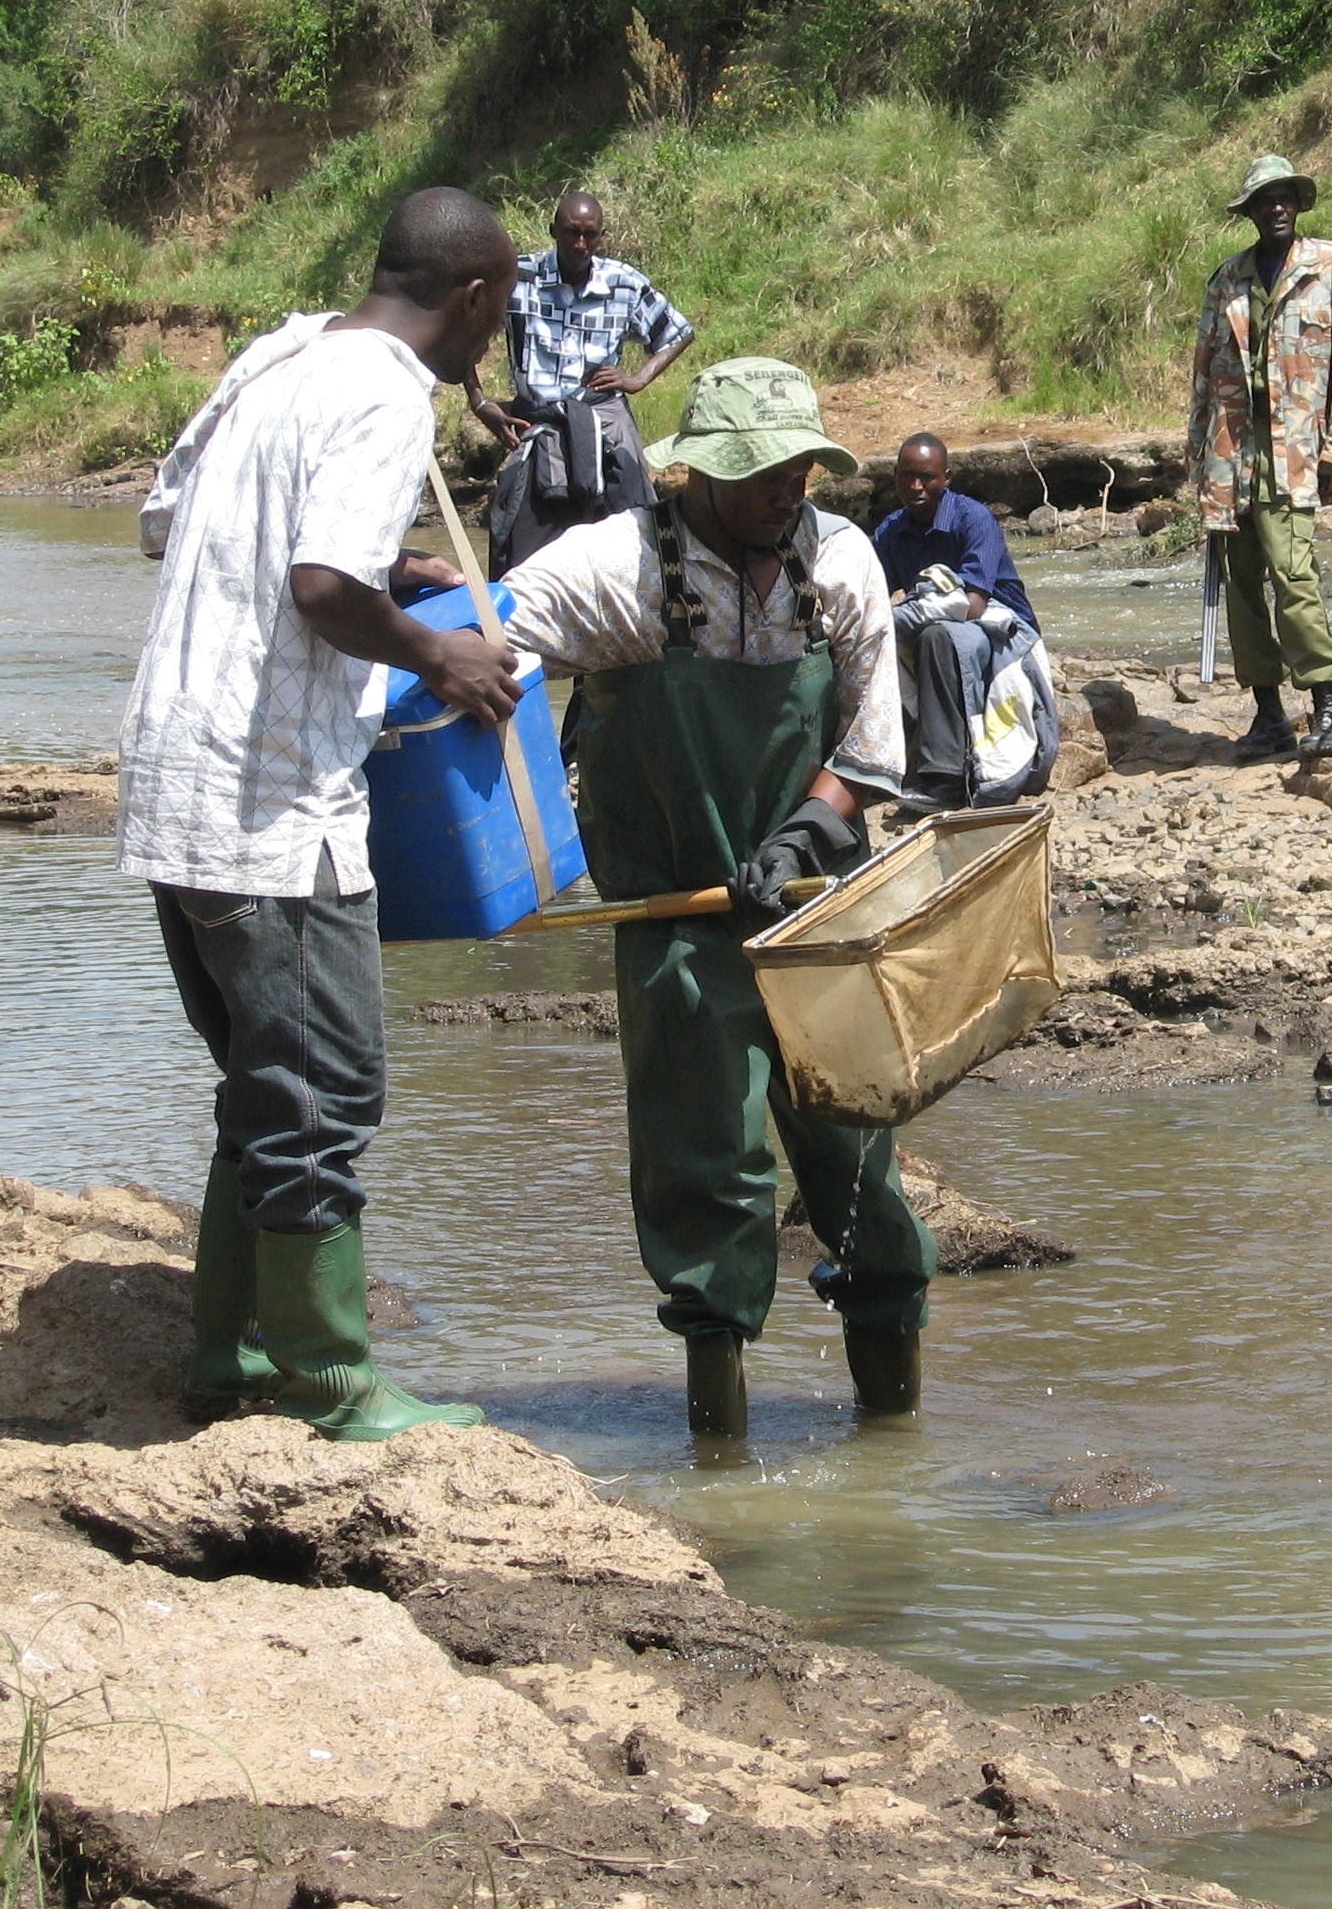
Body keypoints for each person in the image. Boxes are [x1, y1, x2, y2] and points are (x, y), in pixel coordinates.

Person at [120, 186, 524, 1441]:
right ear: (471, 298)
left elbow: (169, 520)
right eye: (500, 316)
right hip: (270, 798)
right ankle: (328, 1378)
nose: (493, 343)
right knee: (324, 1093)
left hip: (173, 776)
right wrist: (437, 650)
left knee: (264, 1078)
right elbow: (317, 587)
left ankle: (230, 1349)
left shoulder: (280, 355)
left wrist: (389, 567)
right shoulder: (389, 395)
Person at [499, 359, 932, 1443]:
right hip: (677, 928)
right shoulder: (613, 569)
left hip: (818, 918)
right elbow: (486, 646)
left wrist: (803, 830)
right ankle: (720, 1443)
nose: (788, 493)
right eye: (762, 477)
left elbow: (872, 746)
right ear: (696, 473)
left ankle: (891, 1435)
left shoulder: (839, 560)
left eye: (800, 472)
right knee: (708, 1185)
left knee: (862, 1173)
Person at [1189, 153, 1332, 760]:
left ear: (1297, 204)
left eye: (1285, 198)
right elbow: (1205, 374)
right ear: (1249, 212)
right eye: (1265, 200)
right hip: (1231, 456)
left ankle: (1330, 707)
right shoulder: (1228, 278)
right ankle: (1268, 714)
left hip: (1295, 451)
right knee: (1241, 585)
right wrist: (1198, 460)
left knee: (1294, 576)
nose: (1276, 208)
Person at [466, 190, 698, 576]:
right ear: (553, 231)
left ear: (601, 236)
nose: (580, 244)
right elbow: (464, 327)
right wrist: (479, 401)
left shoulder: (623, 283)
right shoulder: (518, 279)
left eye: (590, 235)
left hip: (603, 423)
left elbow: (678, 332)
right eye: (572, 232)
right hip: (539, 426)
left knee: (636, 546)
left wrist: (638, 378)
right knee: (522, 559)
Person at [869, 433, 1058, 814]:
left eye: (927, 477)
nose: (916, 487)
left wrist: (894, 618)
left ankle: (945, 778)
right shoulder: (892, 531)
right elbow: (869, 596)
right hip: (937, 623)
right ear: (895, 477)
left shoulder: (974, 519)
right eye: (907, 476)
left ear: (947, 478)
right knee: (867, 638)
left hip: (1000, 628)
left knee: (936, 637)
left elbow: (972, 606)